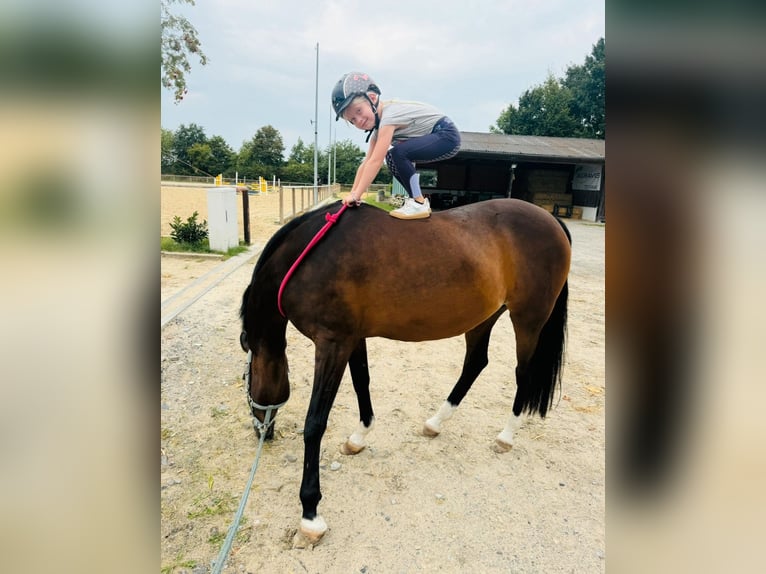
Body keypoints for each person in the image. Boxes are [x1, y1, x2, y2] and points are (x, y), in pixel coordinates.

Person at [332, 72, 461, 220]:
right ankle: (416, 201)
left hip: (446, 135)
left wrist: (356, 195)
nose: (359, 120)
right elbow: (367, 161)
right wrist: (353, 194)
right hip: (438, 136)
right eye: (353, 120)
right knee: (392, 158)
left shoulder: (389, 117)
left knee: (397, 154)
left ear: (372, 98)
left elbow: (376, 162)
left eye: (359, 111)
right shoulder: (378, 129)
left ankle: (419, 203)